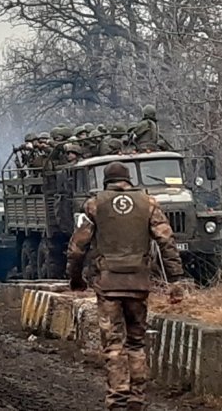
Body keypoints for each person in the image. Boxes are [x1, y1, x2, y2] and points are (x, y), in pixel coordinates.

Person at [66, 162, 189, 411]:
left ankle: (117, 400)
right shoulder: (148, 203)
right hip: (138, 284)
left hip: (109, 285)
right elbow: (166, 242)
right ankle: (137, 400)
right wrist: (175, 280)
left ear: (106, 181)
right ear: (129, 180)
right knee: (136, 343)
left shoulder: (94, 205)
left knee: (113, 346)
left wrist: (75, 278)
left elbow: (77, 248)